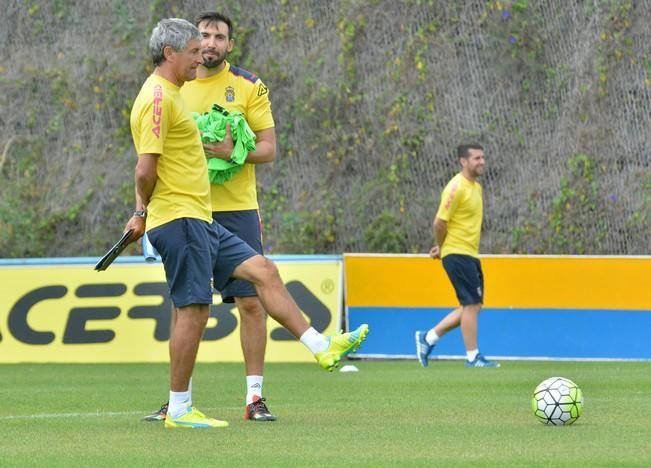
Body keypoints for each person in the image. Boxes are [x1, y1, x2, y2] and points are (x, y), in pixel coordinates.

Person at [131, 18, 369, 429]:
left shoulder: (184, 91)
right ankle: (180, 408)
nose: (200, 54)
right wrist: (141, 210)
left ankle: (322, 346)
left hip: (202, 217)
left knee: (263, 271)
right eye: (193, 48)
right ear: (171, 54)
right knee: (193, 311)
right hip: (180, 216)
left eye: (211, 40)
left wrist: (232, 151)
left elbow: (259, 146)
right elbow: (144, 167)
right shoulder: (157, 97)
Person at [414, 143, 500, 368]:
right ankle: (473, 357)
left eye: (483, 157)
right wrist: (442, 247)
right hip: (457, 253)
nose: (481, 162)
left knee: (472, 305)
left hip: (469, 253)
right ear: (463, 161)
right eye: (476, 158)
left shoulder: (476, 187)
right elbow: (439, 222)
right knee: (471, 305)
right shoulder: (456, 187)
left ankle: (428, 338)